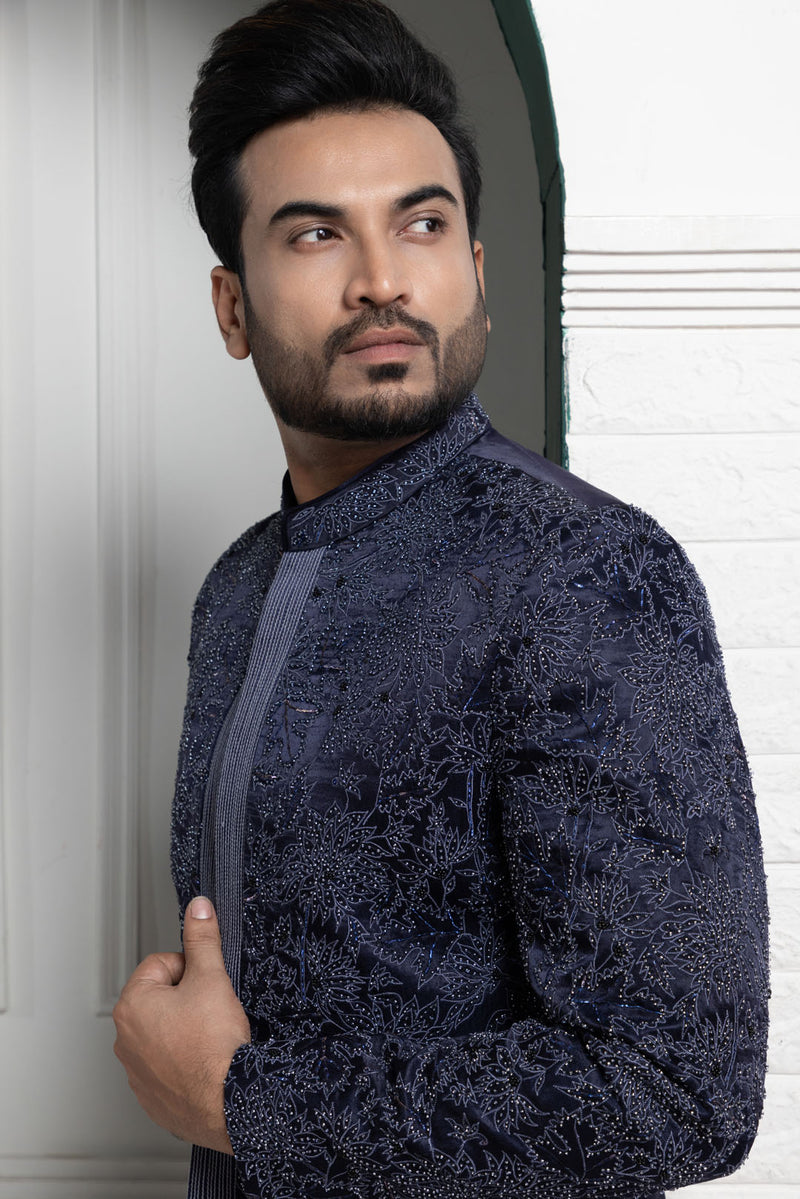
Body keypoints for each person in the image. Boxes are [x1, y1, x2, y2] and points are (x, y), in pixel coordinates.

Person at [112, 2, 769, 1197]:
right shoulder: (237, 588)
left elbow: (676, 1089)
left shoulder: (584, 571)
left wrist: (241, 1102)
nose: (380, 281)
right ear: (231, 306)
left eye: (421, 224)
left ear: (472, 270)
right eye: (315, 234)